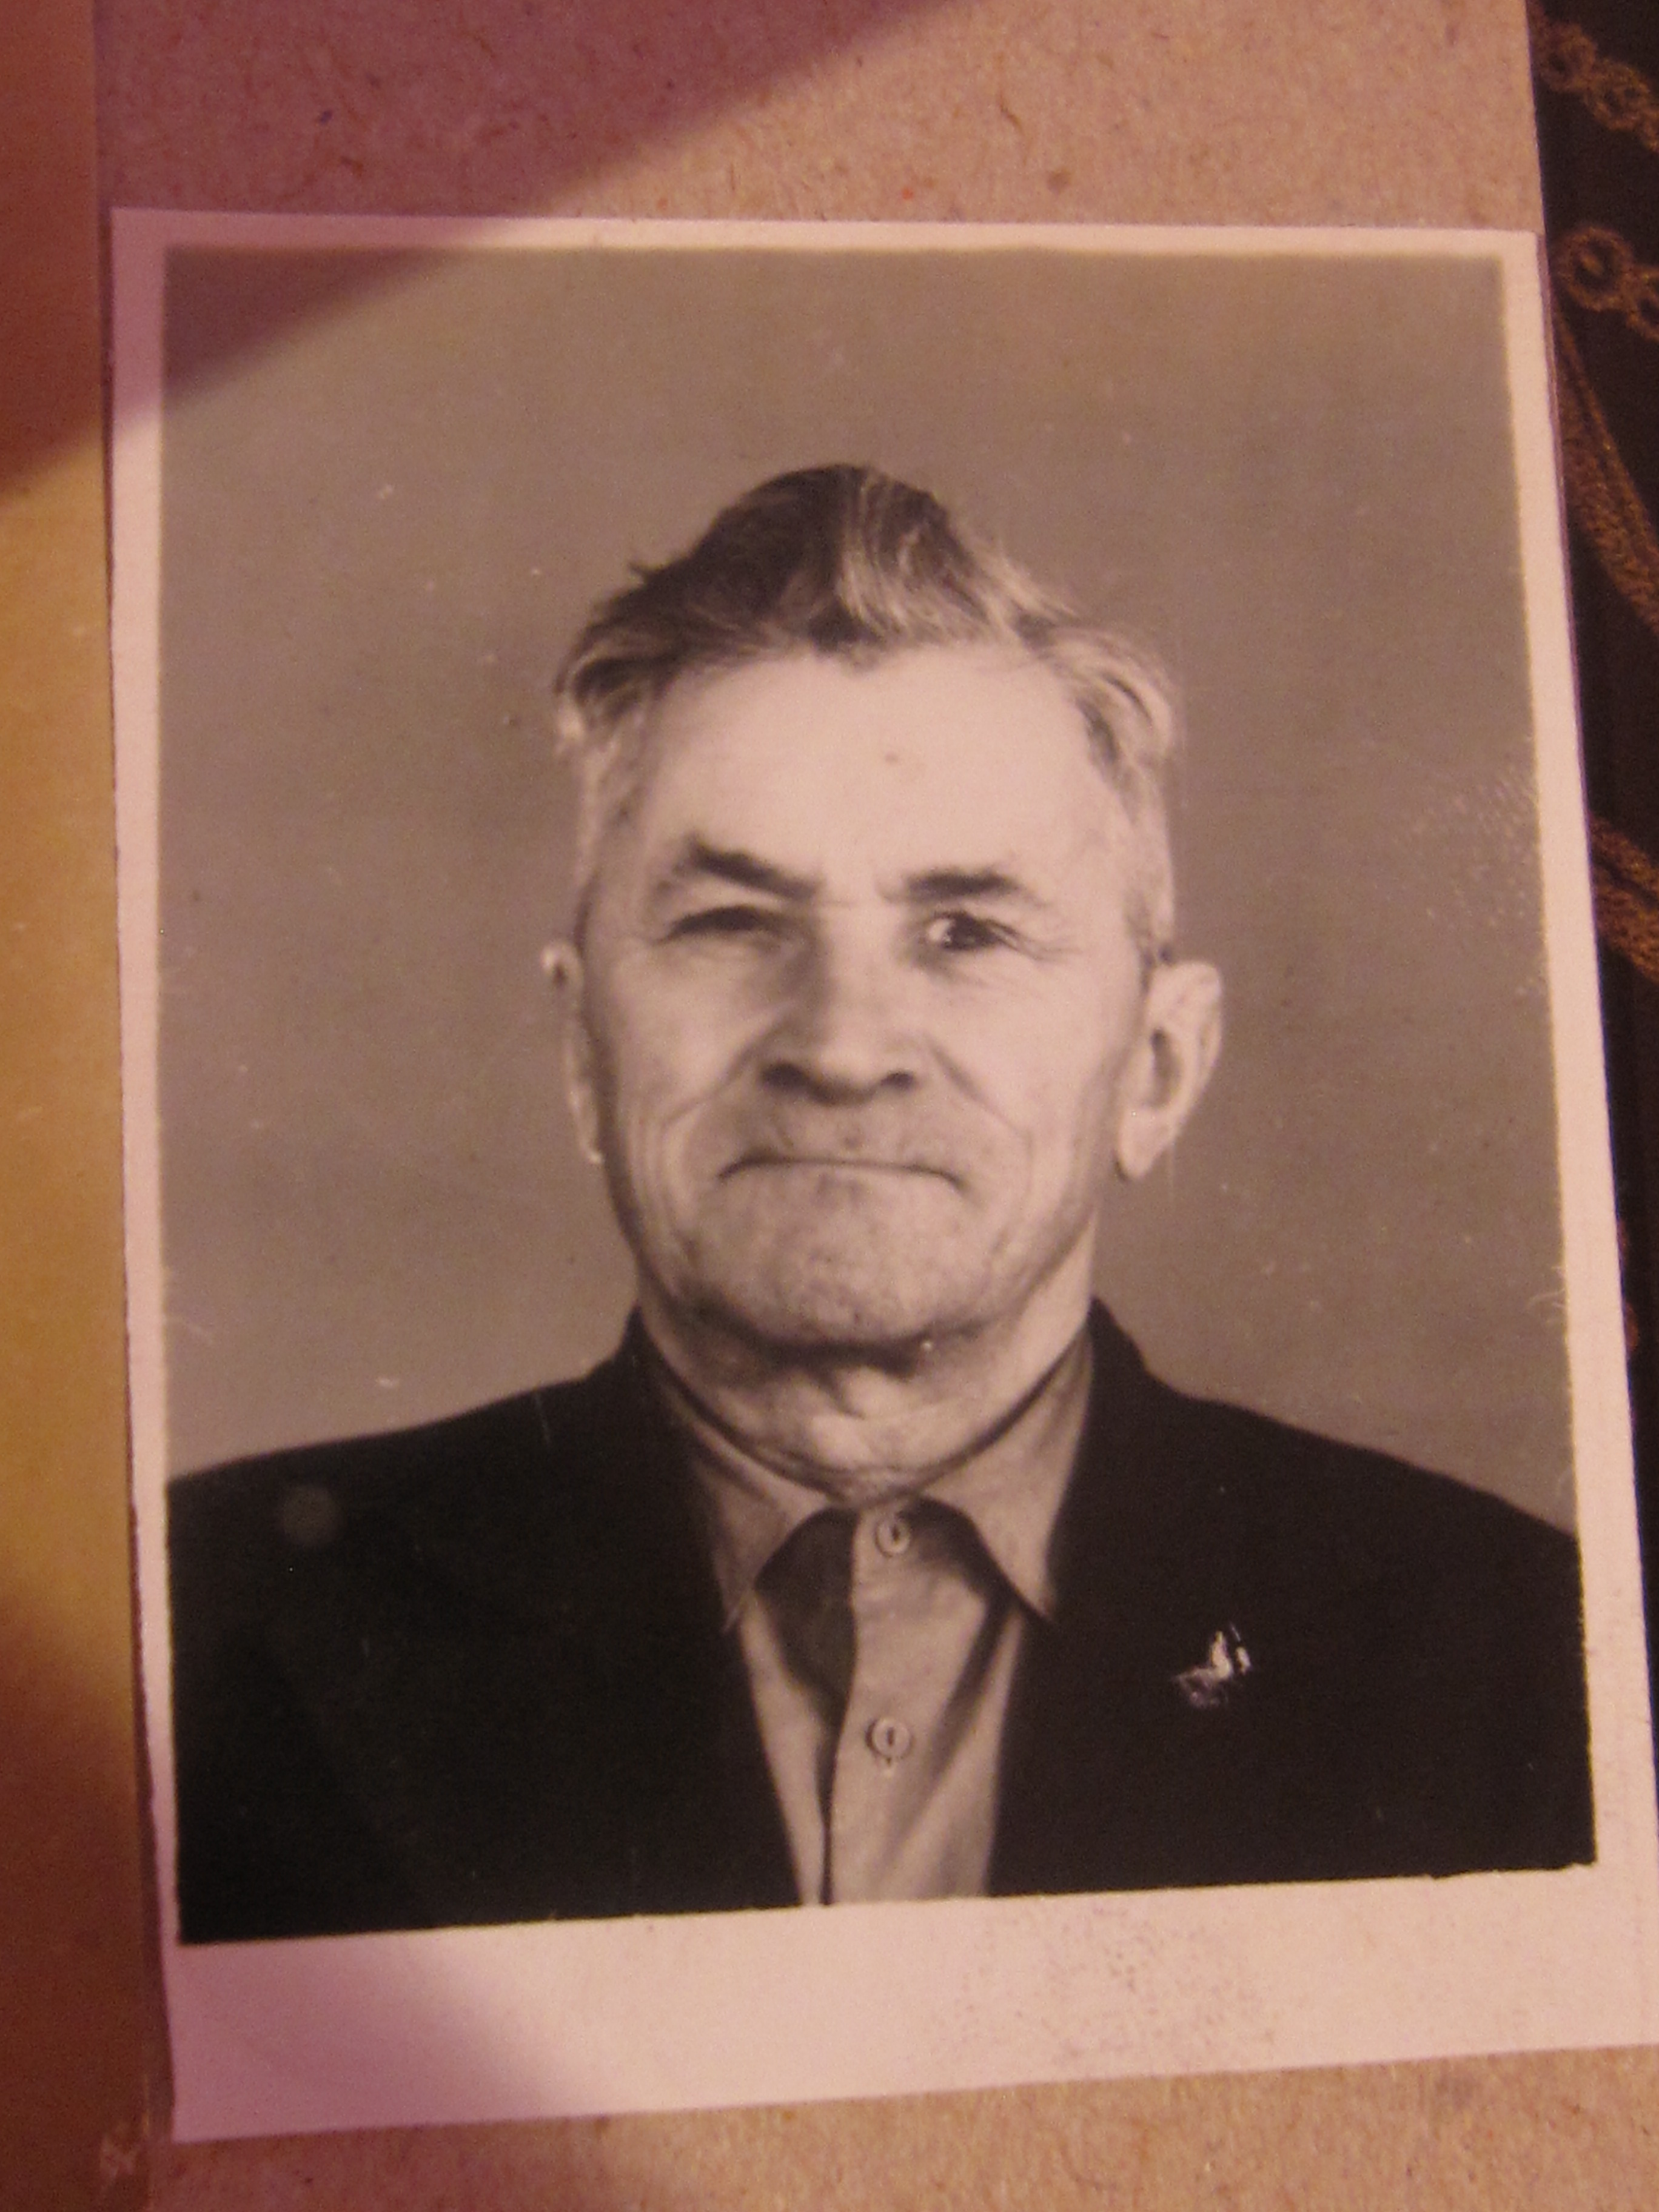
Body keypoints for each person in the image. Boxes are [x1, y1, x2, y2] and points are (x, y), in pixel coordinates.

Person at [169, 465, 1594, 1943]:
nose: (843, 1049)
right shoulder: (198, 1633)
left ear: (1157, 1069)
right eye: (733, 922)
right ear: (584, 1053)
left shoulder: (1525, 1667)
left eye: (965, 931)